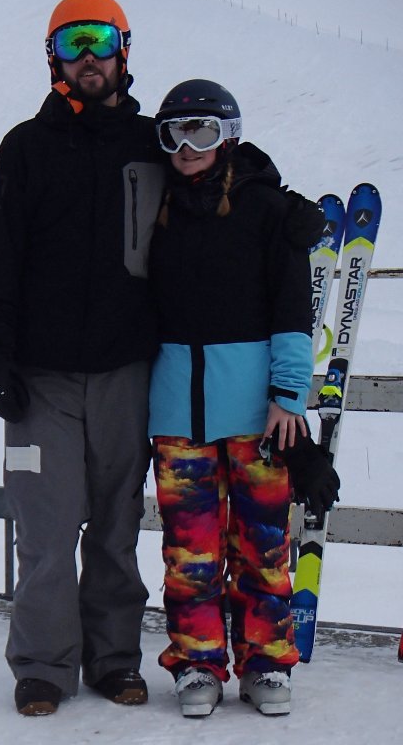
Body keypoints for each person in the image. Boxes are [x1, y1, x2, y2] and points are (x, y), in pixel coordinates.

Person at [0, 0, 166, 716]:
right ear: (53, 56)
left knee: (117, 530)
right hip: (42, 377)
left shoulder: (151, 144)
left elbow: (217, 189)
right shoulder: (25, 146)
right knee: (47, 533)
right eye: (71, 42)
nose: (88, 56)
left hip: (128, 371)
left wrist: (270, 190)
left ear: (124, 48)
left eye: (100, 39)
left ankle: (114, 660)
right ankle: (43, 668)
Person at [147, 79, 339, 717]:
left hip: (258, 415)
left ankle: (265, 663)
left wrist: (289, 395)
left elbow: (291, 312)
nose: (186, 147)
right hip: (178, 416)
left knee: (261, 547)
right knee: (191, 551)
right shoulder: (157, 206)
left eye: (201, 131)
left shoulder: (265, 212)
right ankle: (198, 661)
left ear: (228, 136)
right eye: (173, 133)